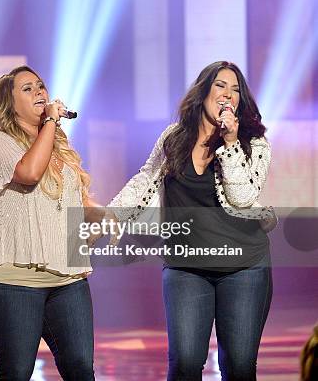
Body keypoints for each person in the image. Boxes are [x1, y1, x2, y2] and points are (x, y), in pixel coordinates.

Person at [109, 61, 276, 380]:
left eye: (236, 90)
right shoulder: (174, 138)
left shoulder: (253, 143)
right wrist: (113, 214)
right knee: (185, 362)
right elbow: (146, 179)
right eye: (221, 86)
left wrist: (229, 144)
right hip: (186, 266)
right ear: (203, 91)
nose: (228, 94)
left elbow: (243, 196)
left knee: (238, 365)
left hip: (243, 266)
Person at [0, 66, 99, 381]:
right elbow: (29, 174)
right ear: (9, 103)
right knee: (16, 372)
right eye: (27, 89)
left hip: (66, 278)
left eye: (41, 86)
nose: (40, 93)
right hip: (12, 280)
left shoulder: (58, 145)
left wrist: (94, 218)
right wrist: (51, 123)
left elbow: (65, 203)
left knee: (81, 369)